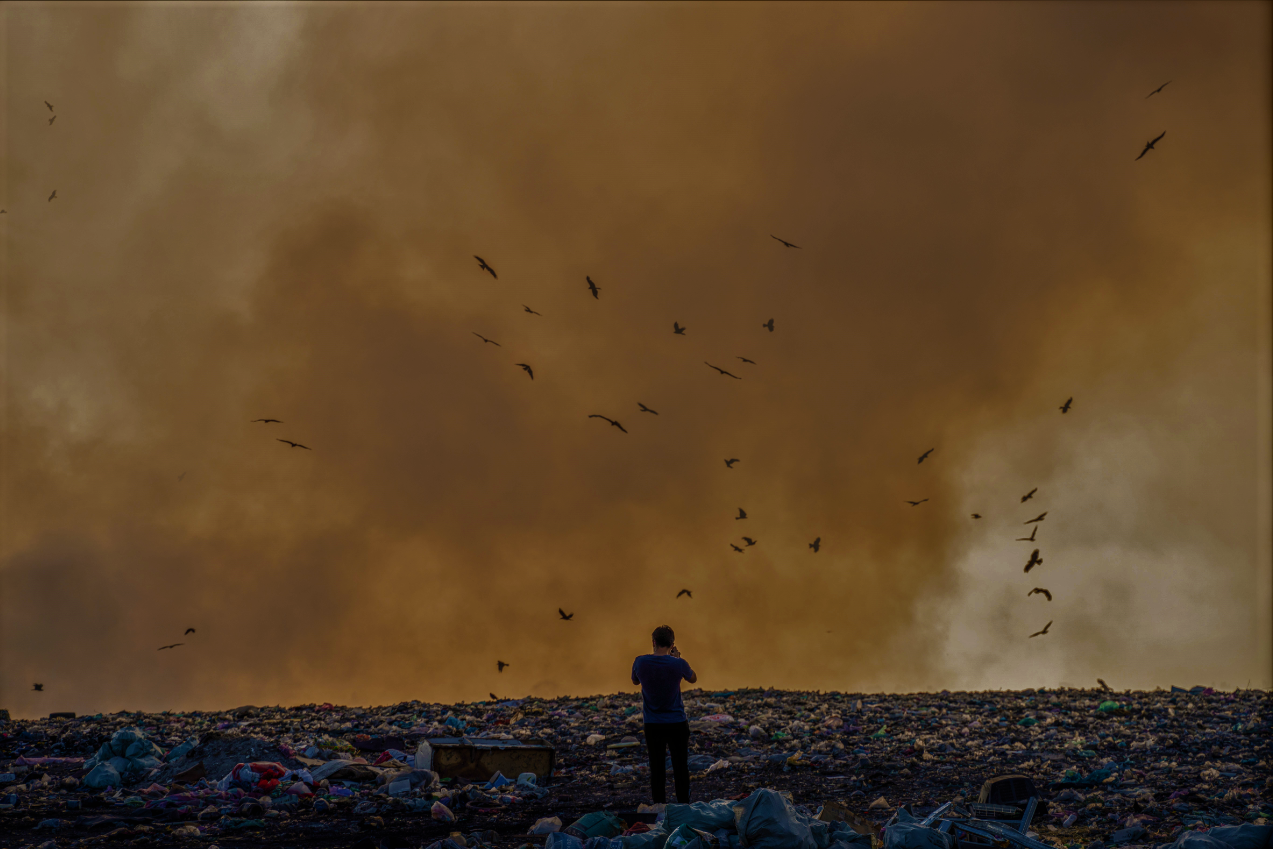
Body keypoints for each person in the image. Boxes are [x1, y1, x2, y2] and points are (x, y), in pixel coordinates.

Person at [631, 624, 697, 804]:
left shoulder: (640, 662)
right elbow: (693, 678)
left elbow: (635, 681)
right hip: (677, 722)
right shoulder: (679, 664)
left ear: (653, 642)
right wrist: (676, 659)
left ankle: (659, 807)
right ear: (672, 644)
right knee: (680, 767)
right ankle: (683, 806)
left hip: (653, 724)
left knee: (657, 768)